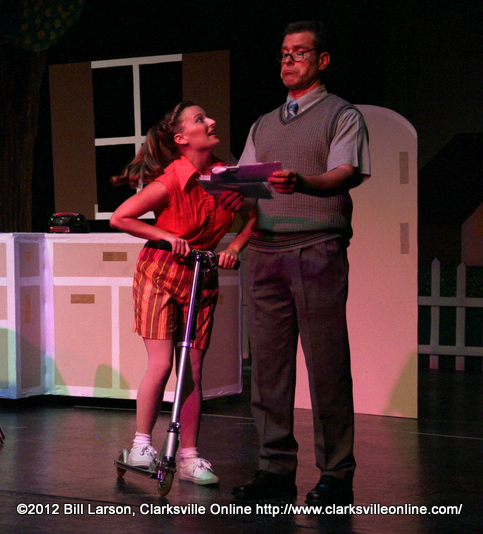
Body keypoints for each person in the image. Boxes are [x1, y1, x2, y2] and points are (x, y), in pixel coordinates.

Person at [230, 21, 370, 505]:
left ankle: (336, 474)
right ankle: (274, 470)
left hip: (315, 247)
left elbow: (345, 172)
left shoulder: (341, 114)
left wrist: (303, 183)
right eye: (284, 54)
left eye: (300, 53)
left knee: (327, 366)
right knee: (268, 370)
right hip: (265, 251)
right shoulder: (264, 123)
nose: (288, 61)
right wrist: (229, 191)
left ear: (322, 60)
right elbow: (249, 182)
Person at [110, 101, 254, 485]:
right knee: (161, 363)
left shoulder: (226, 177)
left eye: (208, 116)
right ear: (181, 138)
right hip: (160, 272)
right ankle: (141, 445)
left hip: (201, 274)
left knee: (192, 370)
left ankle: (189, 456)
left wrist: (234, 247)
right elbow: (121, 217)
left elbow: (255, 218)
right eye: (200, 119)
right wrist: (165, 235)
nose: (211, 121)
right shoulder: (172, 179)